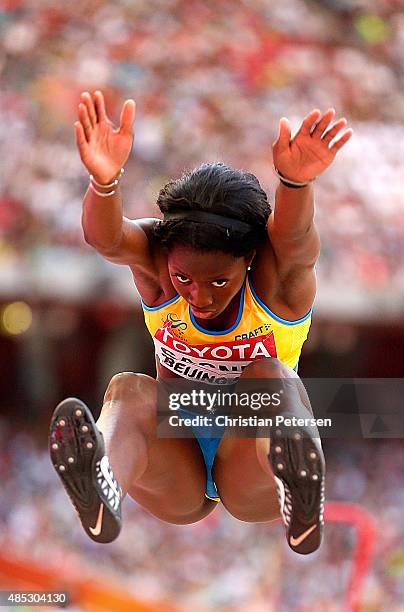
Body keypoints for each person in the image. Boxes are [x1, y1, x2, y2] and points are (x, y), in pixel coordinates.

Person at [49, 90, 352, 555]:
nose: (199, 294)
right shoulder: (156, 259)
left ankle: (298, 492)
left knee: (267, 377)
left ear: (249, 259)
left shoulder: (276, 284)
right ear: (167, 256)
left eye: (218, 280)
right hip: (179, 458)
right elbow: (107, 239)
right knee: (128, 388)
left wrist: (294, 183)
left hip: (251, 459)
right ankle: (104, 482)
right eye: (184, 277)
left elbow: (294, 241)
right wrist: (104, 183)